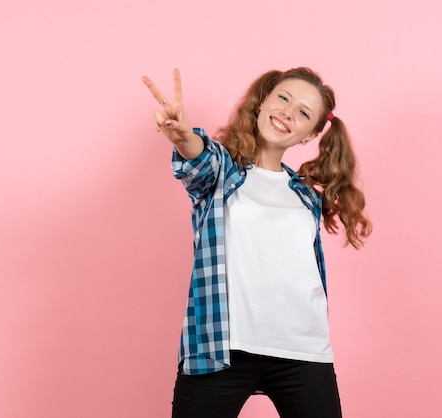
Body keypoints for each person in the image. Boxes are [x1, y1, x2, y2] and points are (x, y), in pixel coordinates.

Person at [142, 67, 372, 418]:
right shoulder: (222, 172)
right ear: (263, 100)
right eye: (283, 98)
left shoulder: (305, 195)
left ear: (309, 135)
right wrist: (183, 136)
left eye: (303, 113)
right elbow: (198, 157)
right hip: (222, 347)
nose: (287, 113)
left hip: (303, 351)